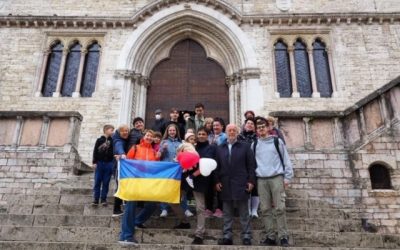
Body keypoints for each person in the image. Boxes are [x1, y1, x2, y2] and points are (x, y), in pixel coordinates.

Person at [253, 118, 293, 247]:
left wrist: (287, 178)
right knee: (265, 209)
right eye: (258, 127)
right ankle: (270, 236)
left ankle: (283, 236)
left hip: (276, 177)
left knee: (280, 208)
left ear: (268, 128)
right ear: (256, 130)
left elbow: (286, 159)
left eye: (263, 126)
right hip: (261, 179)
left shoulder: (277, 141)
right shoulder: (254, 145)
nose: (261, 129)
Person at [215, 124, 256, 246]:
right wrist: (216, 181)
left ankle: (247, 236)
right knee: (227, 212)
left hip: (241, 183)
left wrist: (251, 181)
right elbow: (216, 167)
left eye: (234, 130)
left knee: (244, 212)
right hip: (225, 184)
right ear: (226, 132)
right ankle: (227, 236)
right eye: (229, 130)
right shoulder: (220, 148)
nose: (231, 132)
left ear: (238, 132)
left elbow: (251, 166)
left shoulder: (245, 147)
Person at [118, 130, 160, 246]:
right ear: (144, 136)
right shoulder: (135, 148)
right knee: (131, 206)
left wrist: (158, 158)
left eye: (152, 136)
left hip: (148, 183)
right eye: (148, 135)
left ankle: (136, 221)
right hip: (135, 182)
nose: (149, 137)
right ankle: (125, 236)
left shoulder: (154, 152)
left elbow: (155, 168)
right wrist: (121, 158)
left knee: (152, 205)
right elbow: (127, 162)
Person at [159, 124, 192, 221]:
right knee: (165, 189)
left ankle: (185, 209)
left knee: (180, 190)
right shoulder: (163, 142)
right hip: (166, 170)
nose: (172, 132)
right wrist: (162, 149)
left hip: (178, 170)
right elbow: (159, 156)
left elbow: (185, 156)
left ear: (176, 131)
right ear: (167, 132)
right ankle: (164, 209)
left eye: (173, 130)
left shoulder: (181, 143)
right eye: (170, 131)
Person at [190, 127, 217, 245]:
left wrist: (194, 174)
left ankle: (199, 233)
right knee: (199, 208)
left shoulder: (211, 148)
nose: (201, 136)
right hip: (193, 181)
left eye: (203, 134)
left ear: (207, 135)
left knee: (203, 207)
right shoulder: (192, 148)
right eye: (199, 134)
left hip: (207, 181)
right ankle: (195, 230)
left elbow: (209, 163)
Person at [238, 119, 260, 218]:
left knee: (255, 188)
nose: (250, 125)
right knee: (245, 187)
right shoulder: (239, 137)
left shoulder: (258, 138)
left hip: (256, 164)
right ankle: (248, 209)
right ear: (244, 125)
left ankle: (254, 210)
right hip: (242, 165)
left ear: (254, 127)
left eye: (252, 124)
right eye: (248, 123)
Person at [91, 124, 115, 206]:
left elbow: (113, 152)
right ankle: (96, 199)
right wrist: (94, 162)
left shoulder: (112, 141)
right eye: (111, 130)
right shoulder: (99, 140)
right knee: (97, 181)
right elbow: (95, 151)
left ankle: (103, 199)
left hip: (109, 164)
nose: (113, 132)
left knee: (106, 182)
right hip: (100, 163)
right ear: (106, 130)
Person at [112, 124, 130, 217]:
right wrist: (122, 154)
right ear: (119, 132)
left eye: (127, 131)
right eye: (123, 131)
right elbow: (119, 146)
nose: (125, 132)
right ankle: (116, 209)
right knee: (120, 186)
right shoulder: (118, 140)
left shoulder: (125, 139)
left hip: (124, 167)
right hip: (118, 168)